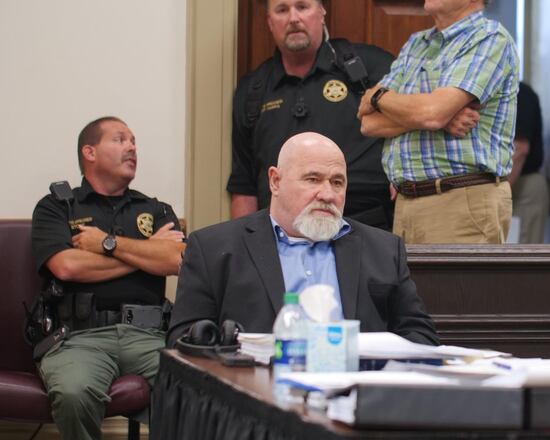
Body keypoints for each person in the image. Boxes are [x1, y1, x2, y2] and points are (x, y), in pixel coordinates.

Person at [168, 132, 439, 347]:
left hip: (358, 399)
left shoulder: (383, 250)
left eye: (337, 182)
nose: (327, 194)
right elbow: (182, 344)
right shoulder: (214, 248)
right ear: (275, 181)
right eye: (313, 179)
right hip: (256, 400)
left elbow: (421, 337)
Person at [31, 116, 185, 440]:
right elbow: (68, 267)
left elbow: (177, 260)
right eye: (119, 139)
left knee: (194, 386)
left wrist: (106, 244)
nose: (132, 147)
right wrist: (147, 253)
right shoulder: (57, 208)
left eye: (133, 141)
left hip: (149, 336)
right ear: (89, 152)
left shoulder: (155, 209)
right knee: (74, 393)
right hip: (78, 338)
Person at [357, 0, 518, 244]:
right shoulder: (416, 43)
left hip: (461, 200)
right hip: (405, 202)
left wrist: (377, 96)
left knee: (456, 284)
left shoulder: (489, 39)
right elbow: (368, 122)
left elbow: (431, 112)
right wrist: (437, 118)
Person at [227, 0, 396, 230]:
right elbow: (243, 185)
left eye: (302, 7)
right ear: (269, 21)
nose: (293, 18)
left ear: (321, 13)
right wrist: (243, 249)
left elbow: (416, 118)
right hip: (282, 236)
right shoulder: (252, 90)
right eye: (282, 10)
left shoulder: (369, 67)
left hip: (366, 227)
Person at [509, 82, 549, 244]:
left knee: (520, 263)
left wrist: (496, 195)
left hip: (520, 186)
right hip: (503, 188)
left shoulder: (518, 93)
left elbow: (519, 150)